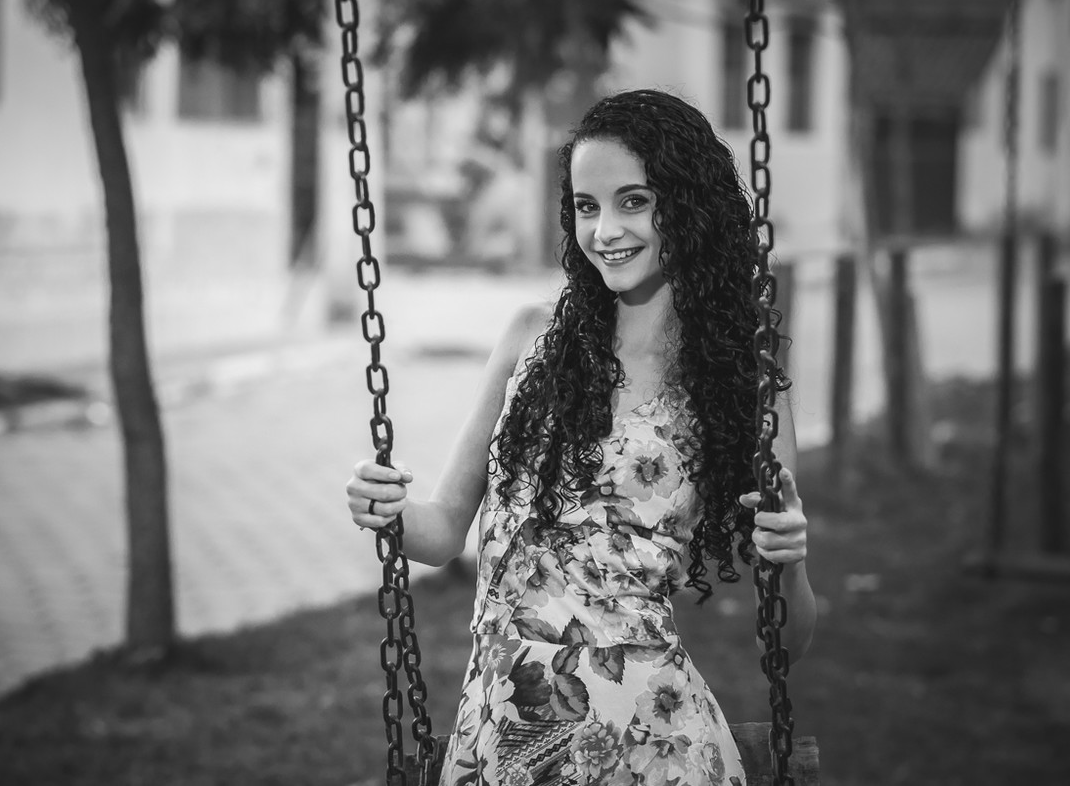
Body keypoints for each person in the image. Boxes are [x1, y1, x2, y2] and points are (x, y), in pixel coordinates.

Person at [346, 89, 816, 786]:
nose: (606, 230)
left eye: (634, 201)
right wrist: (386, 506)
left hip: (653, 744)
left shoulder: (739, 383)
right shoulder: (530, 338)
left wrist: (792, 561)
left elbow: (785, 641)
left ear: (689, 206)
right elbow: (441, 533)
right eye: (587, 206)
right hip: (503, 734)